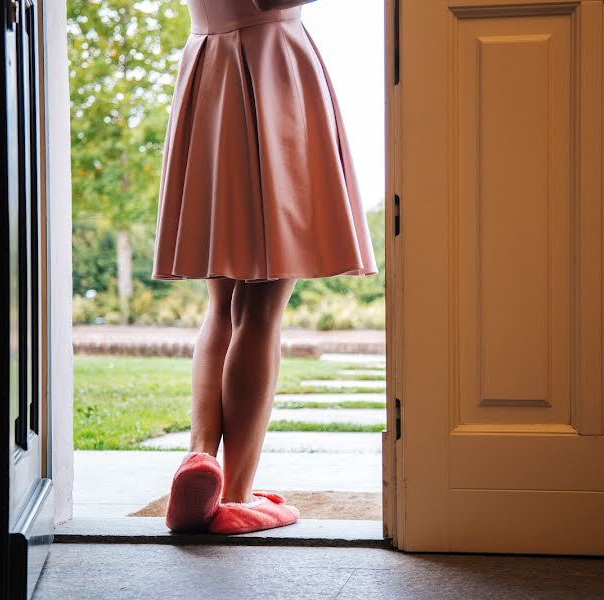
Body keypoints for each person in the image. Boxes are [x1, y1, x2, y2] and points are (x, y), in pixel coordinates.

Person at [150, 0, 378, 535]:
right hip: (271, 69)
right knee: (262, 309)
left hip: (207, 67)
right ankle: (236, 496)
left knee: (221, 304)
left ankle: (199, 457)